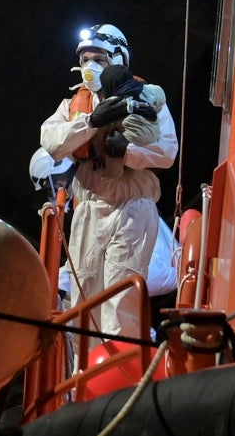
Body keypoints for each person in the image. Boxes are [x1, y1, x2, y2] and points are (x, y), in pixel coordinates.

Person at [39, 23, 178, 349]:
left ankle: (119, 386)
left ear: (119, 57)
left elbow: (167, 150)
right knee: (82, 303)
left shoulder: (148, 99)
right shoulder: (74, 105)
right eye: (85, 59)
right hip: (88, 207)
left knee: (120, 301)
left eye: (98, 57)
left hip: (130, 206)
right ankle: (82, 388)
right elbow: (52, 141)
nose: (90, 66)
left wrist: (126, 151)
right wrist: (93, 121)